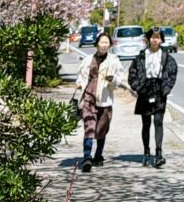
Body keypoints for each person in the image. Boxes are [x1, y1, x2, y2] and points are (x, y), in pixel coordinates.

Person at [128, 26, 178, 167]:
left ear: (161, 40)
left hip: (159, 90)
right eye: (153, 37)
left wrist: (166, 89)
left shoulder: (166, 57)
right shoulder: (142, 56)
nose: (155, 40)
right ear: (148, 39)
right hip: (145, 89)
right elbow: (132, 74)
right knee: (146, 123)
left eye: (158, 37)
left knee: (158, 121)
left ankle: (159, 153)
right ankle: (146, 152)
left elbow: (172, 73)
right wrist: (139, 88)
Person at [74, 31, 124, 171]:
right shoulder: (88, 59)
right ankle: (86, 157)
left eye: (106, 43)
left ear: (110, 45)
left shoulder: (114, 60)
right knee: (89, 127)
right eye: (101, 42)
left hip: (105, 98)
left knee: (101, 129)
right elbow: (81, 75)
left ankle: (98, 155)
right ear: (97, 44)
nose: (104, 45)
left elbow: (119, 79)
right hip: (88, 96)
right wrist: (78, 83)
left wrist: (112, 79)